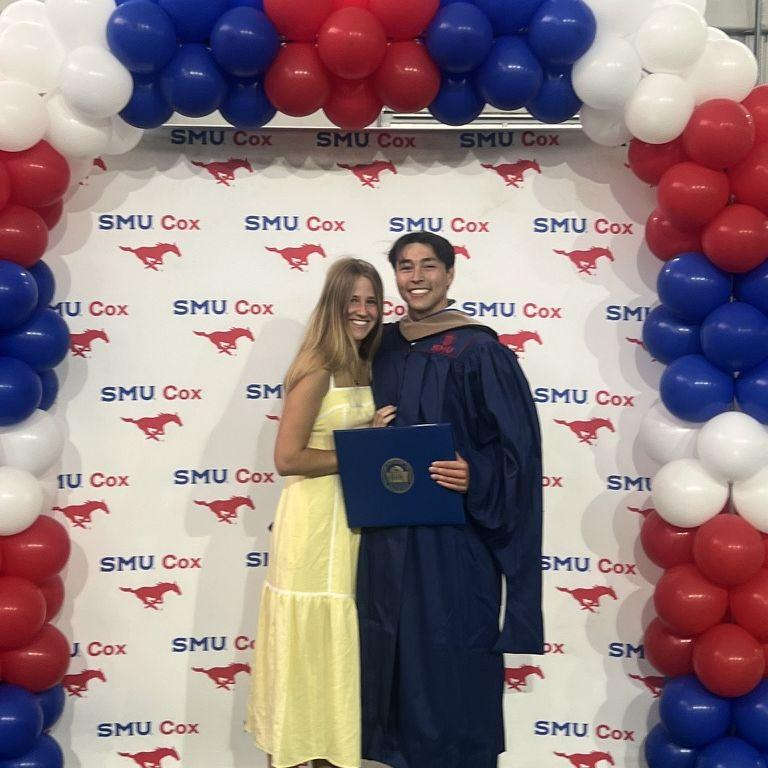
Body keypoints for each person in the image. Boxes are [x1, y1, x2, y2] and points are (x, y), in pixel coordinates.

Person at [357, 232, 544, 768]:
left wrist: (475, 472)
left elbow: (519, 452)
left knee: (450, 659)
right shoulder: (379, 345)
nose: (416, 277)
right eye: (405, 266)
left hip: (452, 543)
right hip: (386, 540)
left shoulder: (478, 350)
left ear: (450, 273)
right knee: (389, 654)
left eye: (428, 266)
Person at [247, 258, 385, 768]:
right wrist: (364, 448)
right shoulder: (318, 368)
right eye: (353, 300)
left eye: (371, 301)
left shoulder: (367, 363)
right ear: (333, 304)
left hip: (351, 525)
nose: (363, 310)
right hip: (312, 526)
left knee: (334, 661)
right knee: (301, 658)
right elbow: (288, 458)